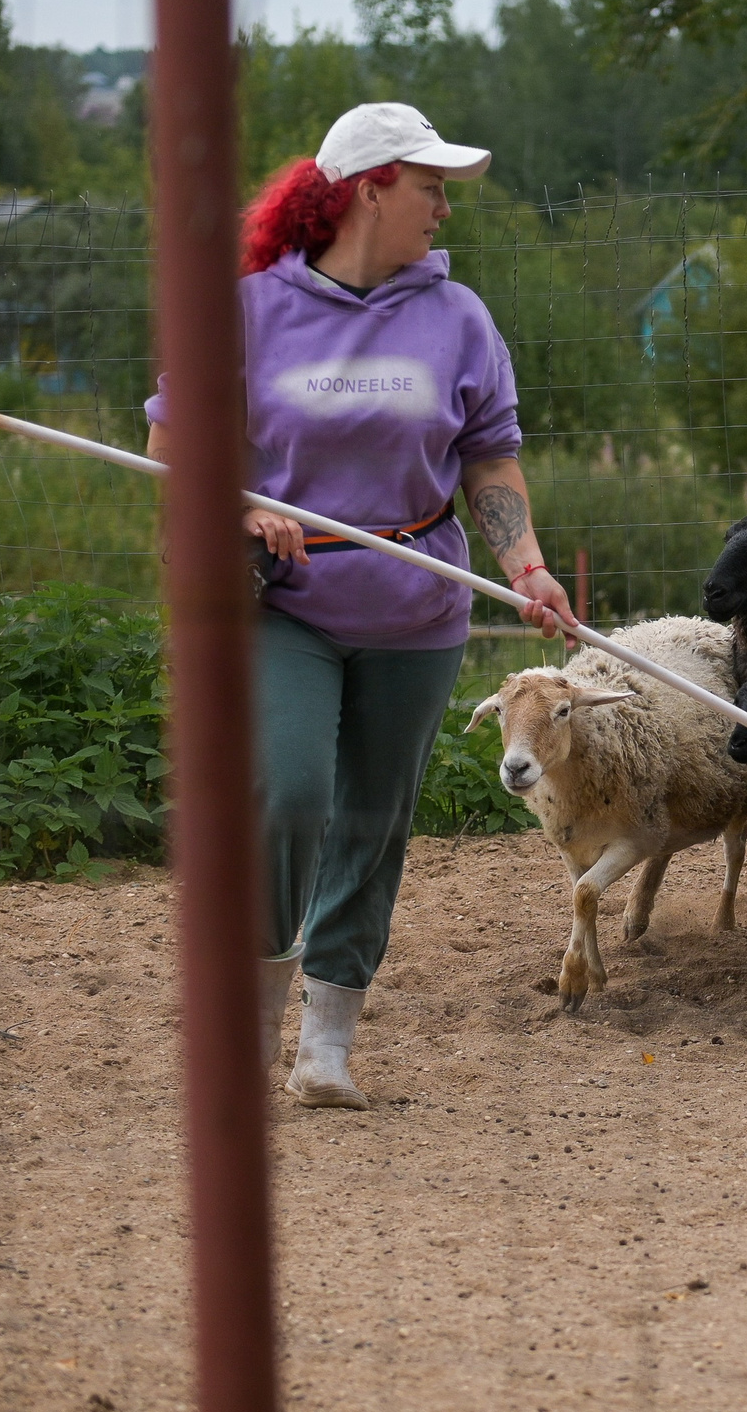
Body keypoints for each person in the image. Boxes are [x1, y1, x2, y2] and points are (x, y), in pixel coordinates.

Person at [146, 102, 573, 1109]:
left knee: (375, 821)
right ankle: (250, 1025)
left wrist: (526, 563)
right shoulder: (250, 308)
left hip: (419, 606)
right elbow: (168, 451)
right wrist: (240, 506)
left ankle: (327, 1041)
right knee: (288, 795)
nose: (442, 210)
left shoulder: (458, 317)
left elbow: (489, 454)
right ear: (370, 188)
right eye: (430, 189)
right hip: (285, 605)